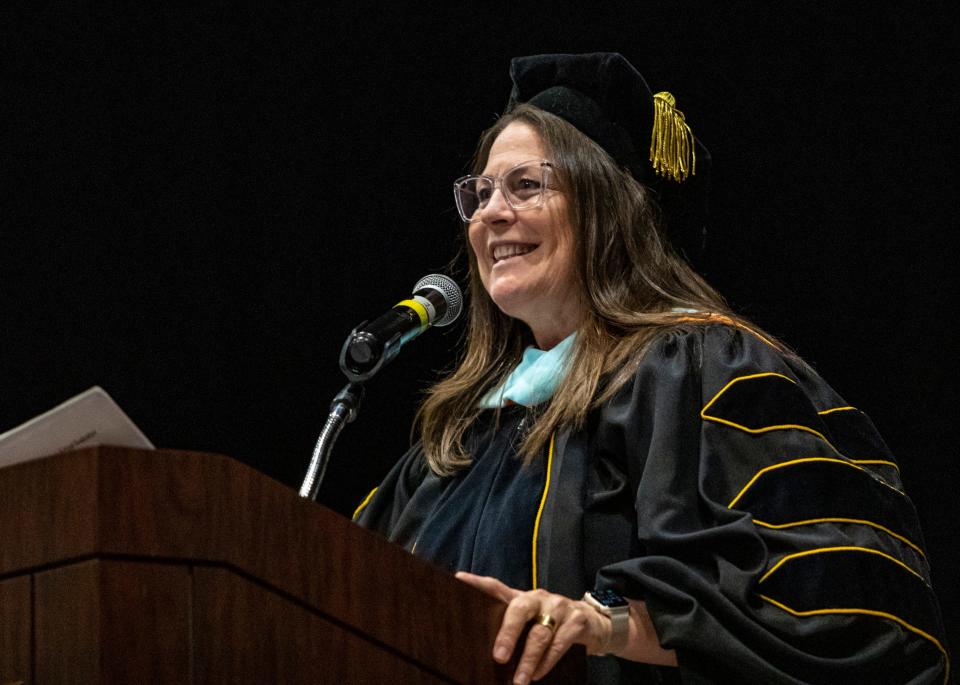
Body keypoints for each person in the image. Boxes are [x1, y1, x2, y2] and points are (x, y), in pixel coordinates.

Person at [353, 53, 948, 684]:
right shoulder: (455, 440)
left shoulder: (699, 369)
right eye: (480, 192)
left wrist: (608, 622)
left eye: (526, 185)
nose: (490, 213)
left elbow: (840, 603)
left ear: (607, 208)